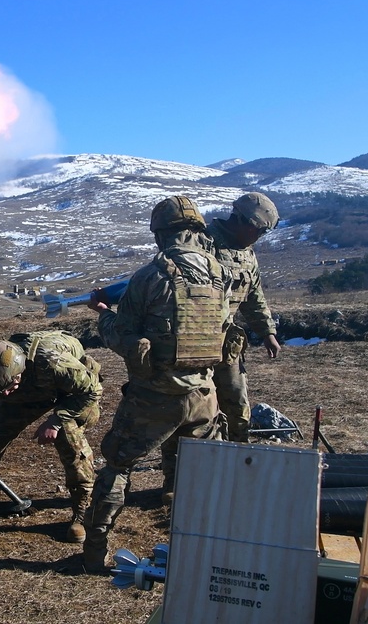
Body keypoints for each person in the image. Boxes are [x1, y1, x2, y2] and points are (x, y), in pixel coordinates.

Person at [81, 195, 229, 573]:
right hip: (205, 395)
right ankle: (203, 559)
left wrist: (102, 315)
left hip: (156, 397)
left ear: (160, 234)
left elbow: (122, 336)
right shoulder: (218, 273)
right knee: (202, 477)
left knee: (117, 466)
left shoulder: (151, 275)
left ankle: (94, 554)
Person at [0, 330, 103, 543]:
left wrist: (55, 421)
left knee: (70, 439)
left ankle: (84, 510)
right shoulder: (5, 371)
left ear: (20, 371)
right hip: (33, 389)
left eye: (8, 387)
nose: (4, 394)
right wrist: (8, 388)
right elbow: (6, 396)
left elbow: (92, 390)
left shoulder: (53, 362)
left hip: (75, 394)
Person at [206, 191, 281, 442]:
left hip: (226, 344)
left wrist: (267, 332)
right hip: (194, 341)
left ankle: (237, 454)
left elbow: (253, 294)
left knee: (236, 403)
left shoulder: (247, 253)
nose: (259, 237)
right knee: (196, 407)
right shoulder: (204, 243)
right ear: (240, 220)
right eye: (258, 230)